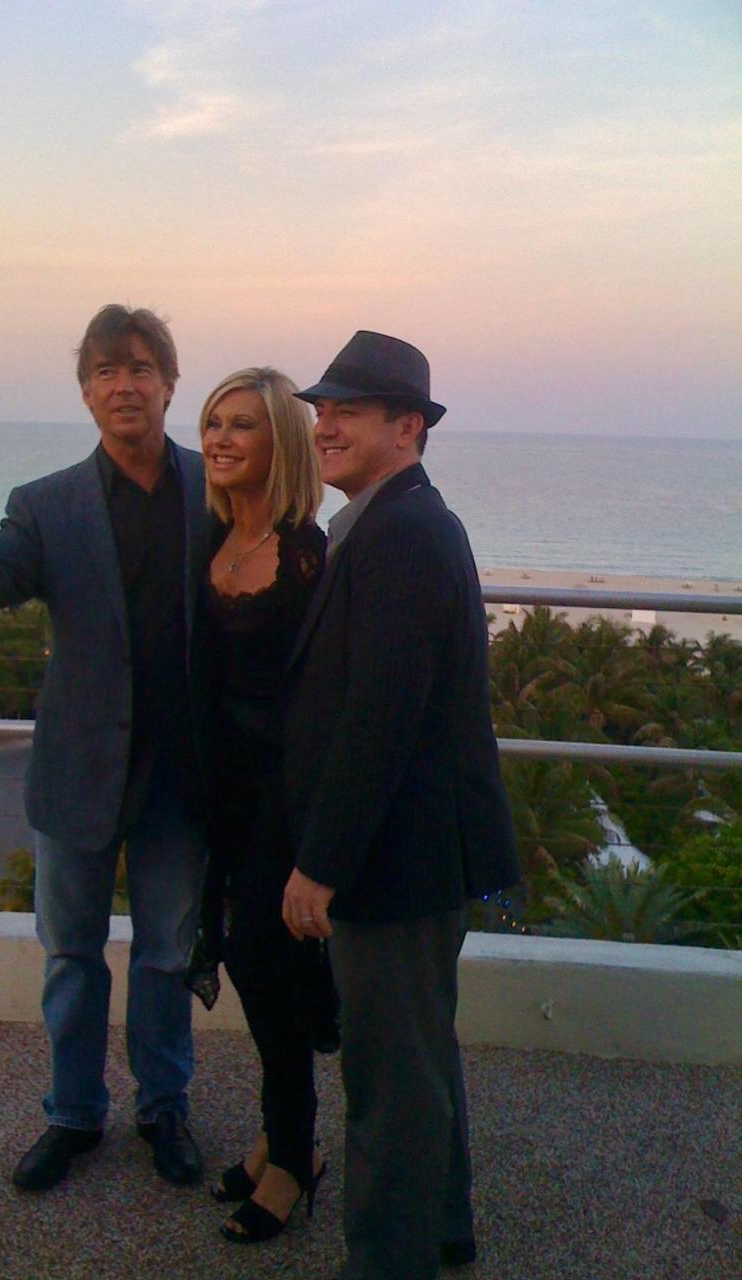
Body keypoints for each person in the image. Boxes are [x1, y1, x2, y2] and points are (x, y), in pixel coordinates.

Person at [0, 304, 211, 1192]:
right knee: (71, 956)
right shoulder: (47, 504)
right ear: (86, 393)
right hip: (77, 773)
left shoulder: (216, 490)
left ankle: (164, 1107)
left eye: (141, 368)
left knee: (164, 956)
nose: (124, 384)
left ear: (169, 384)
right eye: (106, 371)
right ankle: (73, 1115)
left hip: (181, 777)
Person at [280, 331, 521, 1280]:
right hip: (409, 849)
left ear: (408, 429)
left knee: (389, 1082)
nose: (323, 422)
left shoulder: (405, 533)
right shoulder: (389, 524)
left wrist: (321, 863)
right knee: (418, 1058)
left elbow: (383, 714)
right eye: (321, 407)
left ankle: (388, 1262)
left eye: (347, 409)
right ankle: (441, 1229)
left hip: (395, 857)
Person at [187, 367, 329, 1245]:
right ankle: (282, 1136)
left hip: (285, 791)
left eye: (242, 425)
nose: (220, 438)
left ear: (279, 442)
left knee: (268, 969)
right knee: (251, 968)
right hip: (221, 794)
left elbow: (326, 691)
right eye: (211, 422)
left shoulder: (305, 550)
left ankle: (296, 1158)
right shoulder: (206, 538)